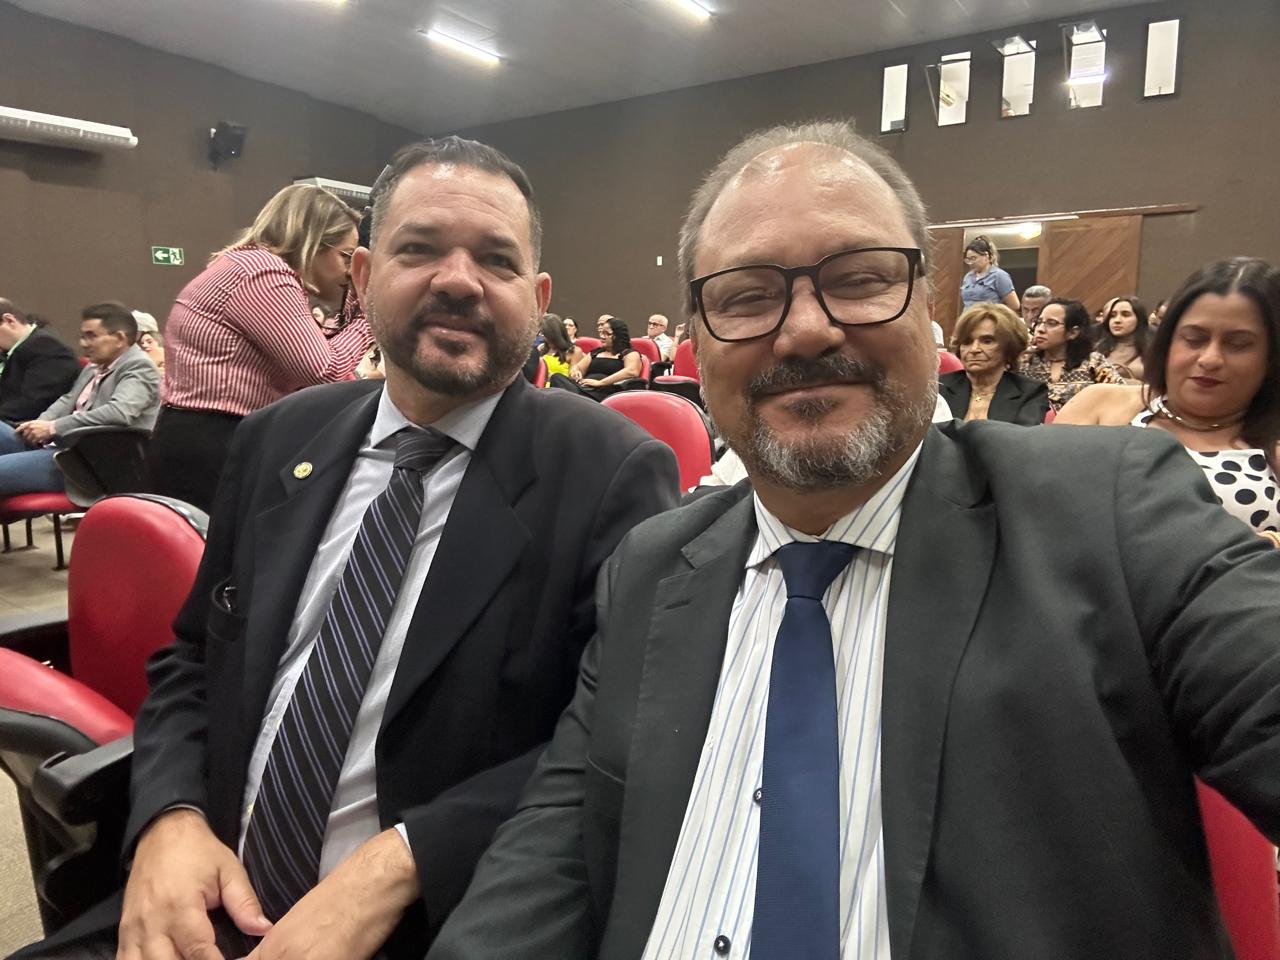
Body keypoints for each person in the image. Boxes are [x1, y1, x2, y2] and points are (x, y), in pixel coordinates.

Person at [429, 120, 1280, 960]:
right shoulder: (650, 568)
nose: (805, 330)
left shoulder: (1108, 510)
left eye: (861, 278)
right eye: (746, 296)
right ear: (696, 339)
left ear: (928, 305)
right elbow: (552, 855)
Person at [17, 137, 678, 960]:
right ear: (361, 280)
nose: (458, 280)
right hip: (207, 892)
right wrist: (170, 818)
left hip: (431, 922)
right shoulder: (275, 439)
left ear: (536, 295)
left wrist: (402, 861)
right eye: (420, 249)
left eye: (497, 259)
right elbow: (192, 661)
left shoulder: (609, 472)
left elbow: (608, 739)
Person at [148, 183, 372, 512]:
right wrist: (370, 315)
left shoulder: (242, 266)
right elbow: (327, 371)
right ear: (312, 242)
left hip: (194, 436)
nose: (348, 271)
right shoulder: (264, 274)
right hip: (214, 441)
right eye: (346, 257)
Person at [1057, 258, 1279, 542]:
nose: (1210, 359)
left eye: (1238, 344)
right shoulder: (1099, 404)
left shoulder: (1272, 441)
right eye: (1194, 339)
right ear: (1168, 340)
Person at [0, 302, 160, 496]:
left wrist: (53, 427)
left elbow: (119, 412)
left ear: (119, 338)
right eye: (83, 337)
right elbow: (68, 399)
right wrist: (40, 423)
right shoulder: (95, 366)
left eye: (91, 336)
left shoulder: (139, 366)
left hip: (88, 463)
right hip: (60, 447)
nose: (83, 344)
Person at [939, 302, 1048, 424]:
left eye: (987, 341)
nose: (974, 349)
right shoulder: (938, 387)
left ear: (1009, 347)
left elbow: (1023, 434)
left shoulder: (1030, 392)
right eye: (967, 342)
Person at [1020, 297, 1125, 409]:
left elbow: (1122, 396)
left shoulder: (1093, 362)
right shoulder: (1024, 361)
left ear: (1072, 333)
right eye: (1039, 322)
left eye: (1051, 323)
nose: (1040, 329)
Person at [0, 297, 80, 425]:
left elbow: (33, 403)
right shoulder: (11, 350)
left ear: (9, 321)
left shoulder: (49, 348)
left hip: (27, 426)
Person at [559, 315, 643, 398]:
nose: (602, 337)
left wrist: (600, 383)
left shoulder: (629, 353)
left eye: (607, 334)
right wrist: (575, 371)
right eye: (601, 333)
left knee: (562, 393)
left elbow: (632, 371)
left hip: (605, 392)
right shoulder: (596, 353)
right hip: (585, 389)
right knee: (557, 378)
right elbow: (578, 367)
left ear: (618, 336)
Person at [1093, 295, 1151, 380]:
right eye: (1113, 315)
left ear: (1139, 319)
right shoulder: (1097, 350)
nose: (1117, 320)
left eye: (1125, 315)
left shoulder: (1152, 353)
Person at [958, 234, 1019, 312]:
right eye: (968, 259)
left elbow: (1014, 305)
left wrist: (995, 315)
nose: (971, 263)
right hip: (969, 318)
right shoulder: (968, 276)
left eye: (974, 258)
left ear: (986, 256)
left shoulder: (999, 275)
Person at [536, 313, 582, 380]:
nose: (542, 337)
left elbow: (572, 378)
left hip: (559, 385)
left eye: (544, 334)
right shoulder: (541, 348)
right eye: (541, 333)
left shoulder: (574, 351)